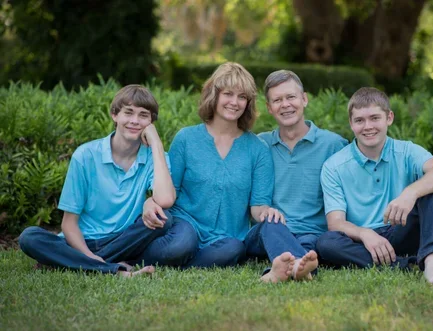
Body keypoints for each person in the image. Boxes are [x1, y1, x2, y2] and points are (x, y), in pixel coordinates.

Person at [19, 85, 196, 277]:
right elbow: (69, 225)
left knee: (164, 218)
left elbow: (165, 200)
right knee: (30, 237)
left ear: (151, 122)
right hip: (82, 241)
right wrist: (90, 257)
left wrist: (157, 144)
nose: (135, 121)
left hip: (124, 241)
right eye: (128, 113)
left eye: (143, 115)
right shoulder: (85, 156)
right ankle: (114, 270)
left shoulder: (156, 157)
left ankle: (64, 262)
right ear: (114, 115)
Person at [142, 62, 291, 272]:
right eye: (228, 94)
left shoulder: (258, 149)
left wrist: (268, 213)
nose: (235, 102)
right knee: (181, 244)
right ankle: (166, 256)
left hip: (226, 237)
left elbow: (258, 206)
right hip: (185, 224)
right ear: (214, 96)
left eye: (242, 97)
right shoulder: (186, 138)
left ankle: (184, 265)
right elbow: (169, 190)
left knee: (233, 250)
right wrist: (149, 201)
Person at [317, 87, 433, 286]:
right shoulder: (334, 166)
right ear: (351, 123)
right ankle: (408, 263)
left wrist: (410, 192)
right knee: (326, 243)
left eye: (375, 118)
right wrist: (365, 234)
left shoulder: (406, 151)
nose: (368, 126)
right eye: (359, 120)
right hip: (363, 242)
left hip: (401, 229)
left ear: (389, 118)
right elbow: (336, 223)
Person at [244, 70, 348, 282]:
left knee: (311, 244)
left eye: (291, 97)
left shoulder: (334, 145)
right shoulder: (259, 144)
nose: (285, 104)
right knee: (272, 225)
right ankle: (300, 266)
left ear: (304, 99)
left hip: (311, 233)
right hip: (267, 232)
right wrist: (266, 212)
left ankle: (281, 271)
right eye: (277, 100)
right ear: (269, 108)